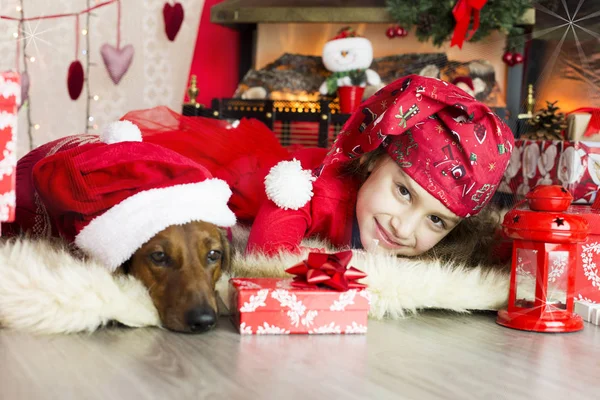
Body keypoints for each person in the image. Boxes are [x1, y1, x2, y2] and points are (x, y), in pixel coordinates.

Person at [108, 75, 515, 264]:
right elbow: (267, 255)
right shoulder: (325, 191)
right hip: (254, 174)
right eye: (404, 192)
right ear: (373, 159)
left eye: (436, 221)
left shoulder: (441, 240)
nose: (404, 229)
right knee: (156, 186)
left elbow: (494, 251)